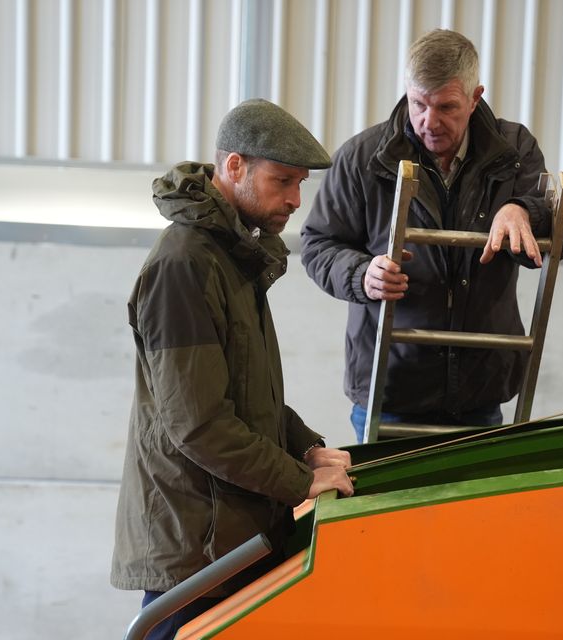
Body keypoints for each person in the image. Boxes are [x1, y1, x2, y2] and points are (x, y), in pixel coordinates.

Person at [111, 99, 354, 640]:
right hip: (198, 549)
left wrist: (306, 446)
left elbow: (246, 393)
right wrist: (300, 482)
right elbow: (199, 424)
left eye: (301, 184)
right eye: (283, 181)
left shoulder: (232, 255)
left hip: (232, 534)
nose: (295, 199)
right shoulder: (185, 265)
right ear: (236, 166)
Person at [300, 29, 563, 442]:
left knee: (473, 507)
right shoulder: (362, 157)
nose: (430, 122)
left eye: (447, 107)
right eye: (418, 104)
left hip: (479, 388)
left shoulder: (514, 151)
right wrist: (361, 274)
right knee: (388, 507)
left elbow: (561, 233)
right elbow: (318, 243)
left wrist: (524, 210)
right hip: (389, 388)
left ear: (475, 97)